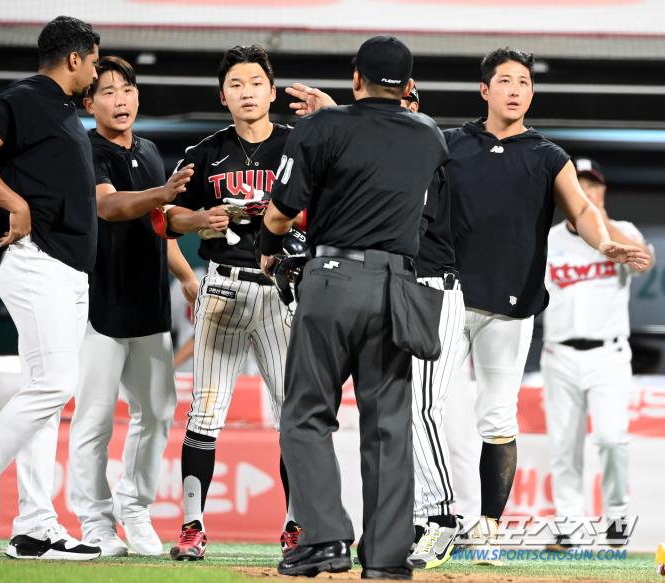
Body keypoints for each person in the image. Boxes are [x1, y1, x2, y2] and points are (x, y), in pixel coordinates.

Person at [440, 48, 649, 565]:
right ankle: (436, 522)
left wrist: (604, 243)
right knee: (436, 417)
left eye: (525, 82)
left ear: (532, 93)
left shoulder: (547, 155)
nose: (516, 89)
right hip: (447, 297)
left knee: (497, 418)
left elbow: (580, 207)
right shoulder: (448, 144)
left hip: (512, 309)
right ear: (484, 90)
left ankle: (488, 530)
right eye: (505, 80)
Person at [262, 35, 448, 580]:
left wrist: (268, 249)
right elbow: (397, 145)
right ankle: (388, 558)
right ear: (409, 86)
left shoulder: (321, 128)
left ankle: (325, 540)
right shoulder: (430, 135)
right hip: (398, 286)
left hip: (333, 280)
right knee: (388, 424)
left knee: (306, 413)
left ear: (355, 77)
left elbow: (280, 213)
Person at [0, 16, 103, 560]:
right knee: (54, 384)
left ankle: (35, 526)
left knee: (47, 394)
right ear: (75, 58)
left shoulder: (63, 109)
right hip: (33, 257)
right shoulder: (26, 97)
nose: (95, 70)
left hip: (67, 267)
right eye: (94, 60)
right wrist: (15, 204)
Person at [163, 44, 300, 560]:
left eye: (256, 83)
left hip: (280, 289)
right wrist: (202, 219)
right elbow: (167, 219)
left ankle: (296, 526)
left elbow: (326, 206)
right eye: (237, 85)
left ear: (270, 90)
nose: (247, 92)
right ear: (223, 95)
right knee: (207, 410)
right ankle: (193, 527)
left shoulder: (298, 146)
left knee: (293, 412)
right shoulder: (202, 153)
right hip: (221, 285)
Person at [68, 56, 199, 557]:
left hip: (148, 305)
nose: (120, 99)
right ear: (89, 102)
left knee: (159, 411)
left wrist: (186, 276)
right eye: (107, 91)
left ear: (138, 97)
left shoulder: (147, 150)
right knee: (94, 420)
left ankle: (135, 505)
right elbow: (108, 205)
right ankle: (95, 523)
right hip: (99, 304)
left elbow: (158, 222)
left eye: (127, 89)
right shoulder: (86, 149)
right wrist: (161, 194)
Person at [541, 158, 653, 548]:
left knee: (611, 438)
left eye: (593, 185)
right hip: (559, 354)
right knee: (563, 445)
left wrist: (603, 221)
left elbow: (645, 263)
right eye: (579, 185)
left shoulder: (623, 233)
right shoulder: (548, 238)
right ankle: (569, 525)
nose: (586, 191)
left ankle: (618, 517)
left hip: (608, 355)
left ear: (603, 191)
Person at [401, 86, 466, 570]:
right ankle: (423, 517)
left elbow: (407, 229)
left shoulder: (422, 153)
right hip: (400, 288)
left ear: (415, 107)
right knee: (402, 410)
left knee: (422, 407)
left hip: (430, 288)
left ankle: (443, 518)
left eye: (403, 102)